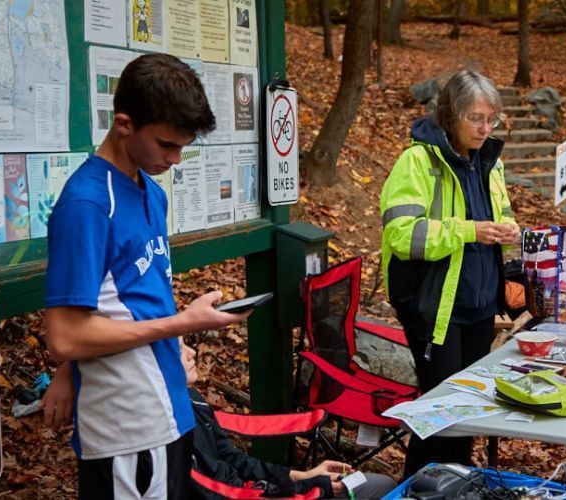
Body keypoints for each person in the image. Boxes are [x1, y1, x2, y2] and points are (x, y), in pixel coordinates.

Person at [42, 53, 251, 498]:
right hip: (126, 425)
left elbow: (119, 299)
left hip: (169, 409)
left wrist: (172, 341)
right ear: (123, 124)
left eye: (182, 146)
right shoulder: (87, 205)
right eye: (166, 145)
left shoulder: (150, 194)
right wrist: (183, 324)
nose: (175, 159)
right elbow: (64, 334)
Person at [379, 69, 520, 478]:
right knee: (440, 416)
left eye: (491, 119)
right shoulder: (418, 161)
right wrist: (467, 230)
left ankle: (456, 484)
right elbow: (402, 234)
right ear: (450, 114)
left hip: (478, 306)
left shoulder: (490, 161)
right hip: (435, 306)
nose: (484, 127)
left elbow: (501, 215)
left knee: (466, 413)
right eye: (475, 118)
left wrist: (509, 230)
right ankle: (419, 487)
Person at [45, 344, 398, 499]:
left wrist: (300, 475)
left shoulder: (190, 399)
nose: (192, 354)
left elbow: (232, 460)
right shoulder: (159, 430)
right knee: (380, 489)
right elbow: (220, 492)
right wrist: (309, 490)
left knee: (379, 483)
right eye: (177, 350)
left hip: (260, 490)